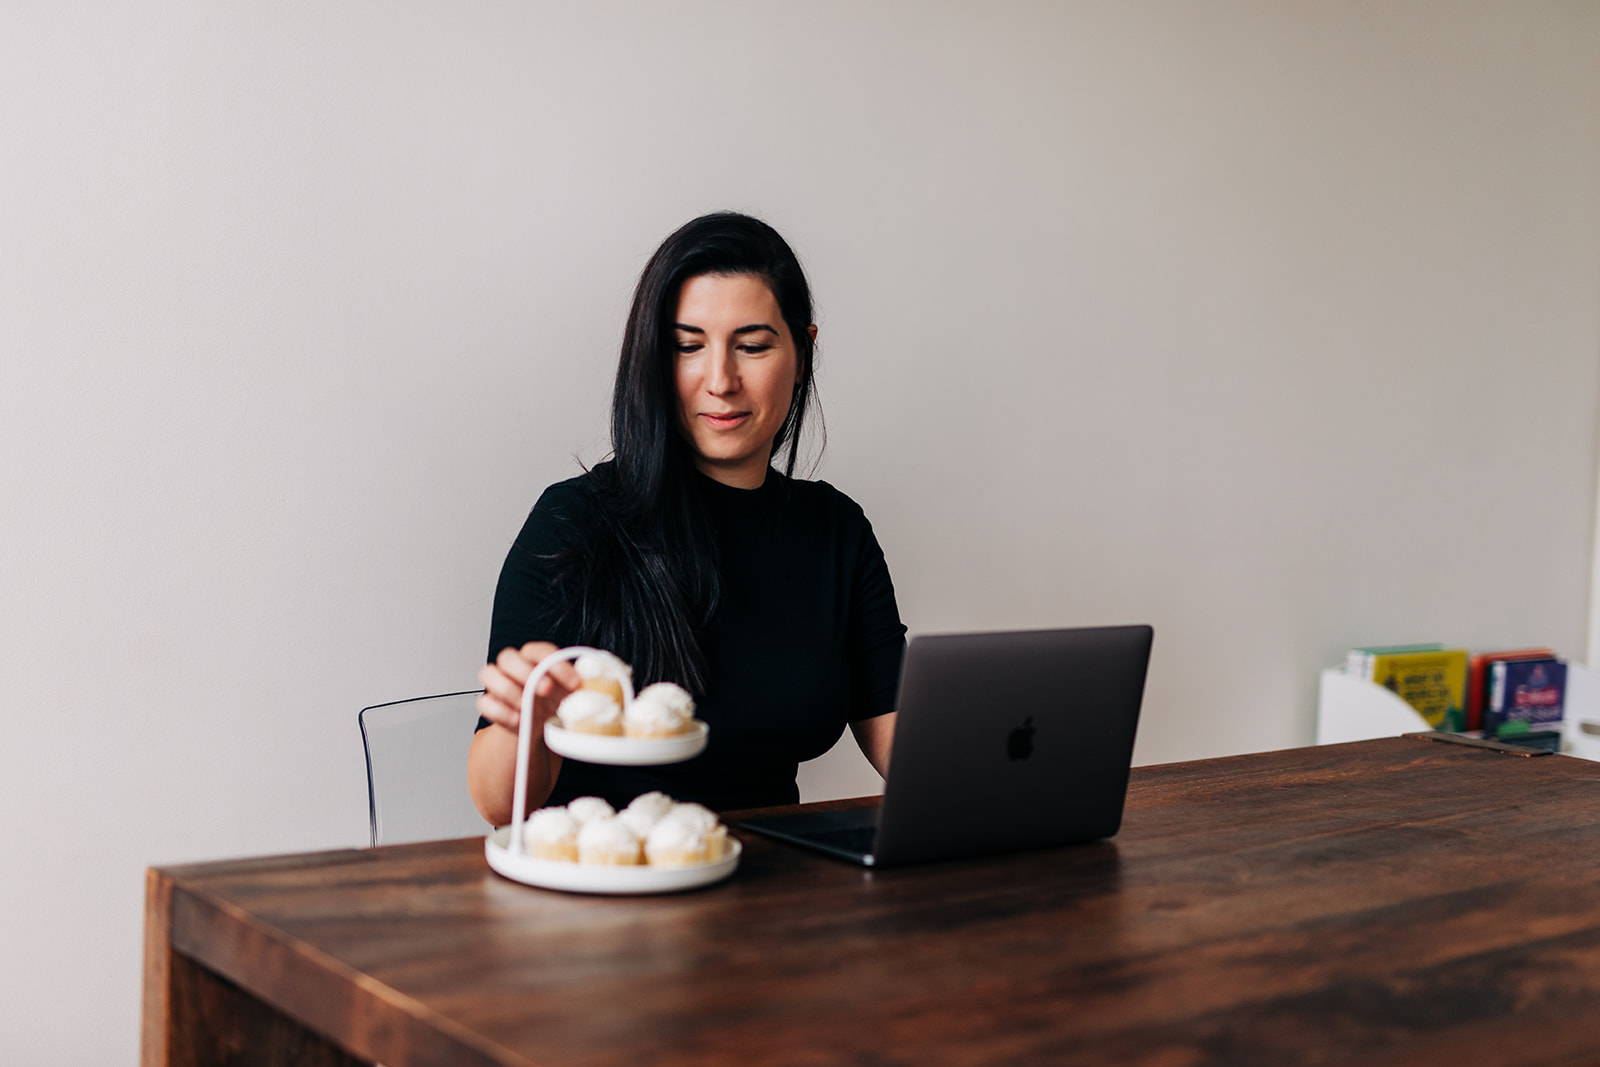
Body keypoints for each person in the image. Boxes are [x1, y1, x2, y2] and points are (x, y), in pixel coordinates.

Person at [468, 213, 906, 826]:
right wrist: (527, 723)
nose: (721, 381)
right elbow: (497, 803)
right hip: (605, 888)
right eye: (688, 347)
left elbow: (910, 751)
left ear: (802, 352)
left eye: (752, 346)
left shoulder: (836, 532)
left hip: (780, 891)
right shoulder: (575, 523)